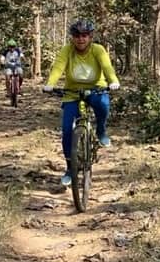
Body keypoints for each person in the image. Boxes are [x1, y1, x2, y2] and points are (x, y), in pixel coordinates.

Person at [42, 19, 120, 186]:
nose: (80, 39)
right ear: (72, 37)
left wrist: (113, 81)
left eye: (84, 35)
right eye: (77, 36)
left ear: (90, 37)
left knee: (103, 105)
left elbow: (107, 68)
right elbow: (58, 67)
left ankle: (101, 131)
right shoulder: (67, 50)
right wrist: (50, 84)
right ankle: (70, 168)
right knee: (66, 131)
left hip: (96, 88)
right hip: (72, 92)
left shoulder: (98, 50)